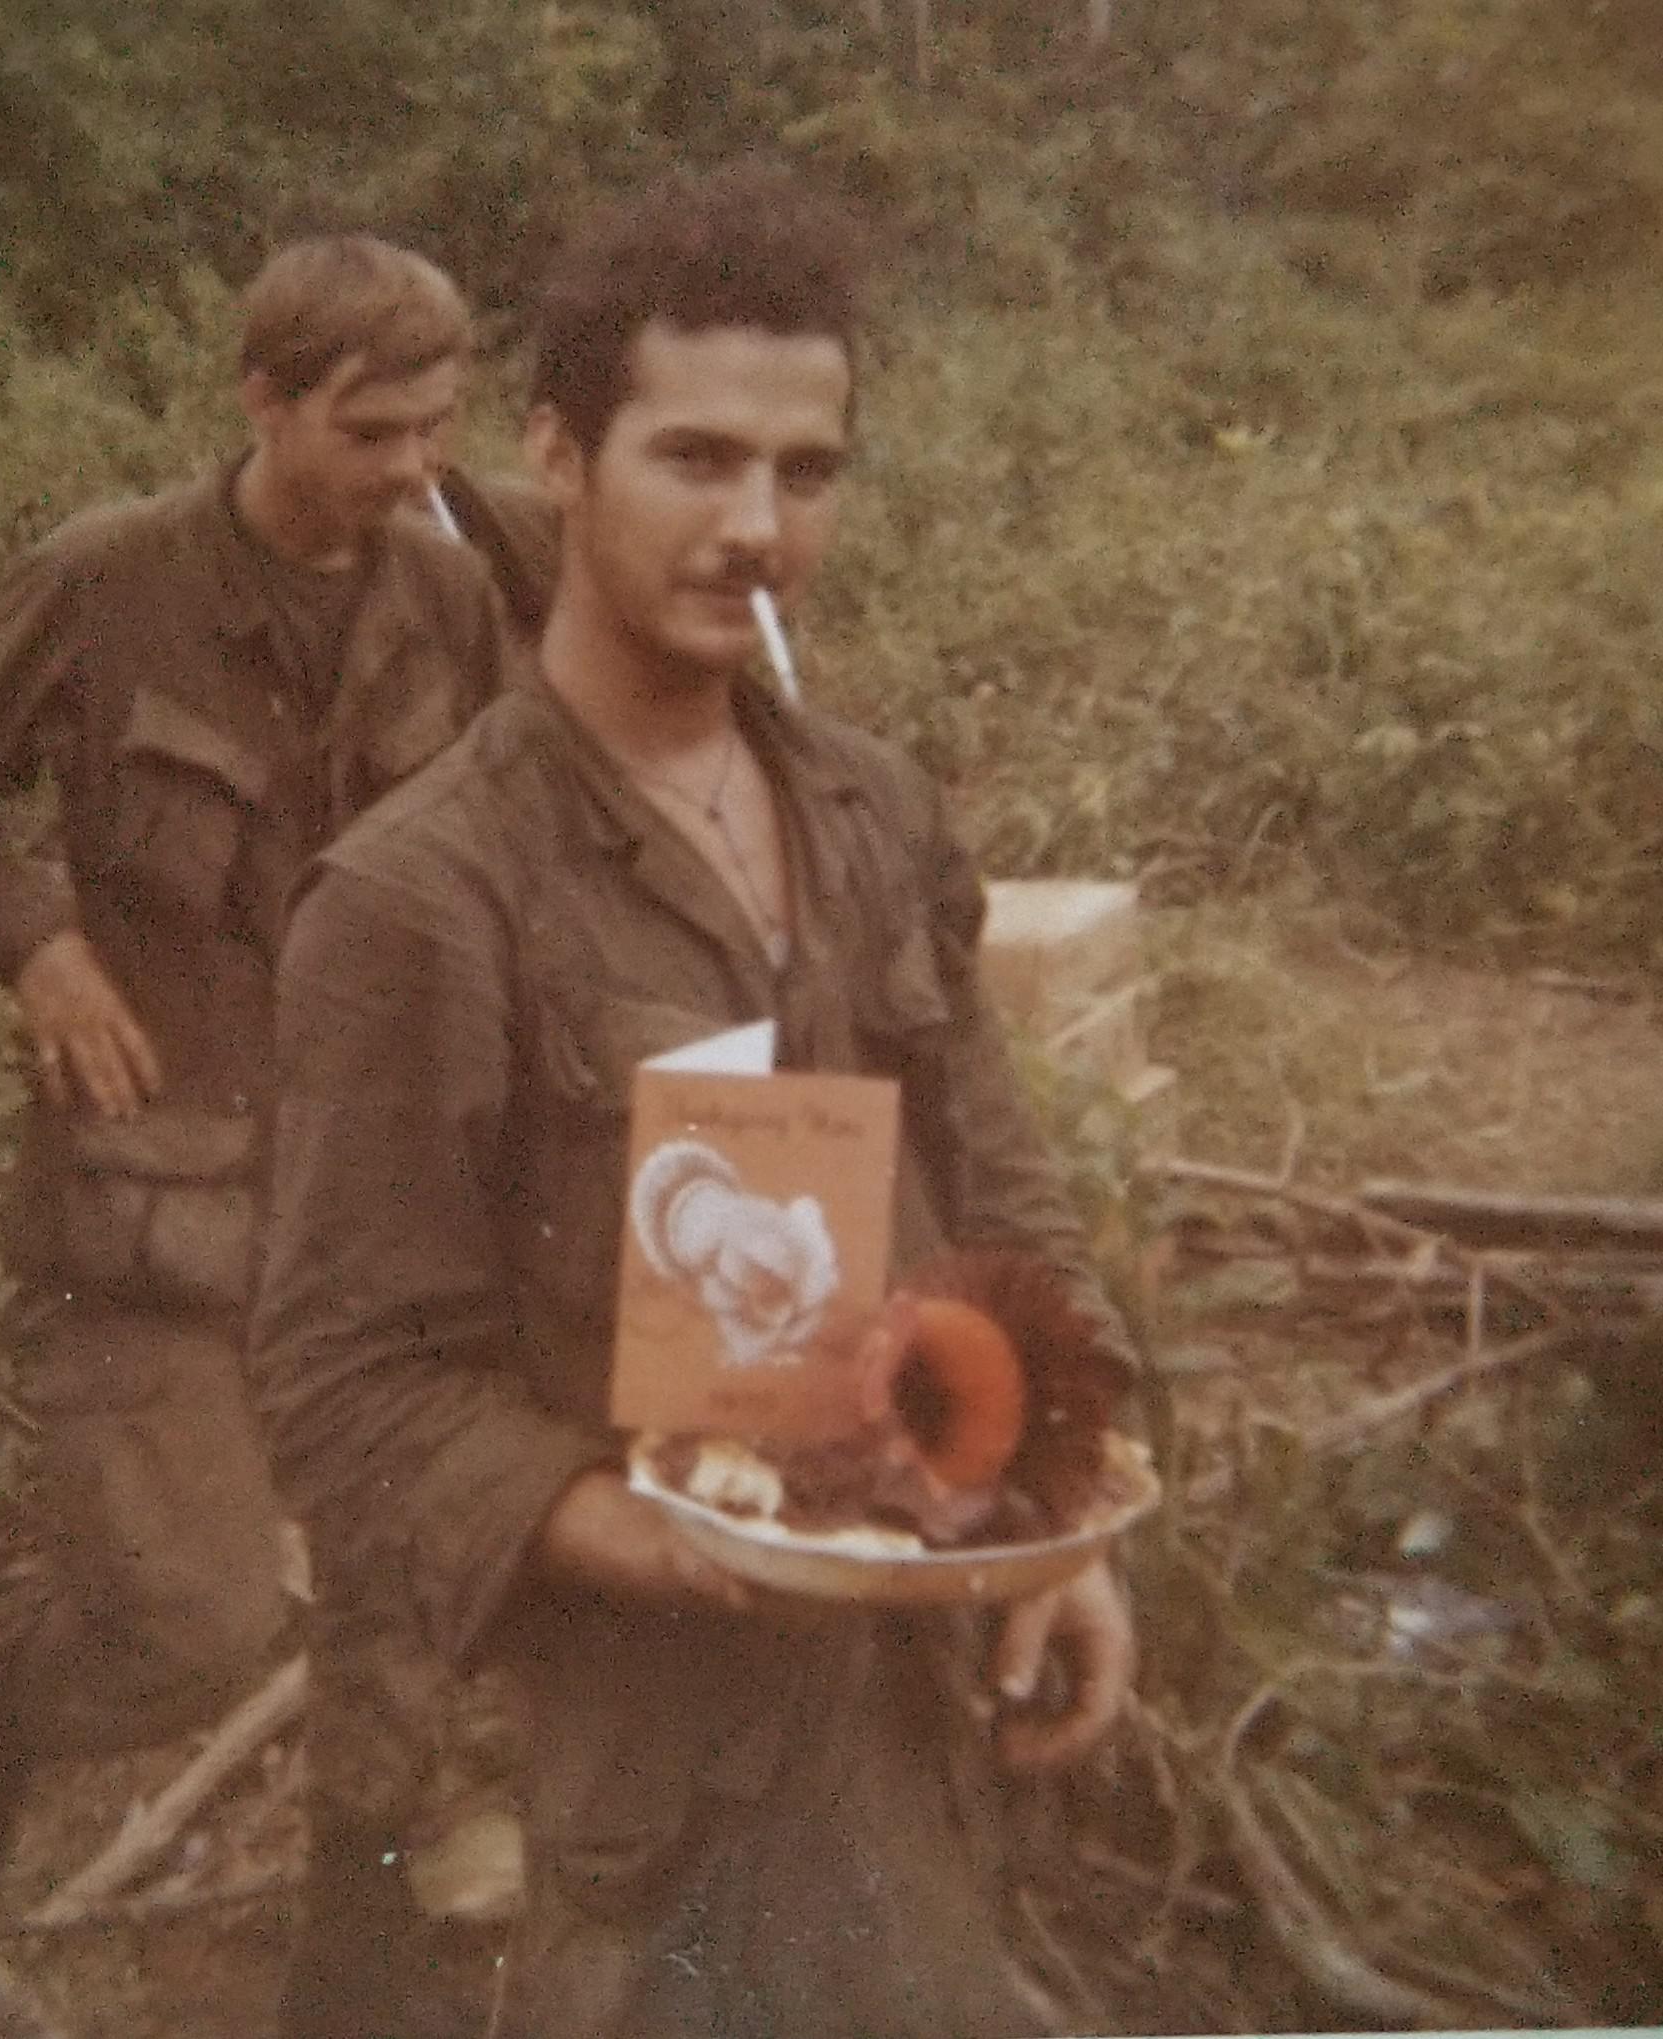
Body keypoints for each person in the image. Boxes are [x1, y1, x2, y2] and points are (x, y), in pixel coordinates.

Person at [248, 163, 1142, 2039]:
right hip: (628, 1765)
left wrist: (1061, 1518)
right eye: (695, 458)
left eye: (803, 473)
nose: (755, 526)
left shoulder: (872, 814)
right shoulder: (426, 894)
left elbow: (997, 1187)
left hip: (907, 1692)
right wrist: (631, 1528)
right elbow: (342, 1380)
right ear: (555, 457)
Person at [0, 233, 516, 1987]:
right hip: (152, 1215)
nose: (413, 473)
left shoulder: (446, 596)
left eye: (437, 429)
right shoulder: (108, 583)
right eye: (371, 432)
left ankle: (358, 2013)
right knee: (194, 1630)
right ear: (260, 400)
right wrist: (38, 946)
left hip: (374, 1227)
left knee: (397, 1650)